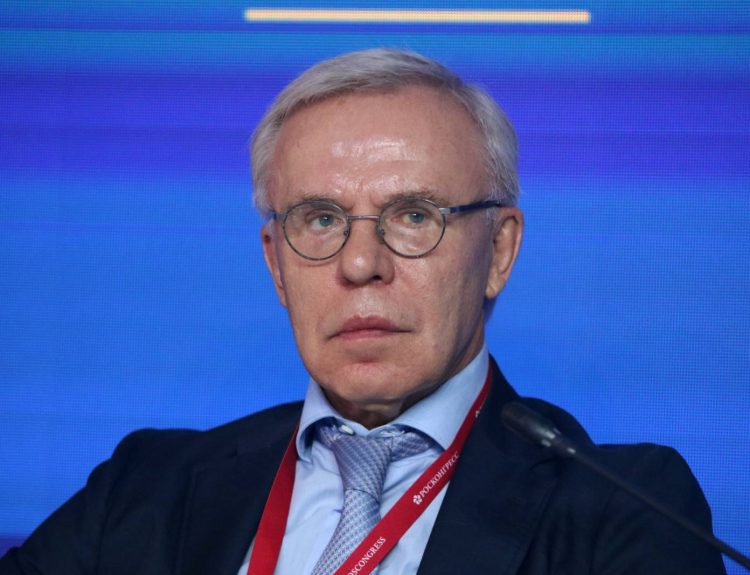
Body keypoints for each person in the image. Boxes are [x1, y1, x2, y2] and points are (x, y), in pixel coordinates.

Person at [0, 48, 726, 575]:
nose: (359, 264)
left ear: (499, 251)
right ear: (275, 263)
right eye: (320, 220)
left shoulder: (620, 509)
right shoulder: (143, 487)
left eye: (413, 215)